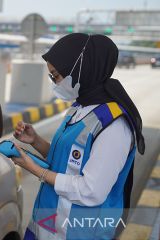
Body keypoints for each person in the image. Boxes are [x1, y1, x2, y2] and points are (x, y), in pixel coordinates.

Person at [11, 33, 145, 240]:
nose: (54, 83)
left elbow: (91, 191)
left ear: (82, 69)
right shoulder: (79, 108)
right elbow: (68, 161)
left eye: (55, 76)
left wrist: (34, 169)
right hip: (45, 227)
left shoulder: (114, 125)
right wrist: (36, 141)